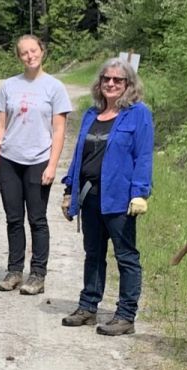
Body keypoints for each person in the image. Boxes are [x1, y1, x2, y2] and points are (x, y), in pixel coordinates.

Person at [60, 58, 154, 335]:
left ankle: (125, 316)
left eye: (118, 80)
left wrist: (140, 193)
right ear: (99, 82)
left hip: (120, 199)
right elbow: (79, 155)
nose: (111, 84)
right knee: (93, 253)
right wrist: (69, 190)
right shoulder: (91, 114)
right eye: (106, 79)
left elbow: (143, 156)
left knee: (126, 256)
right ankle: (88, 307)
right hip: (90, 196)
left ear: (128, 84)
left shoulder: (138, 114)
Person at [0, 35, 73, 295]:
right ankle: (14, 271)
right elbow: (1, 125)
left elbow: (59, 131)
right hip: (9, 160)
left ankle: (37, 274)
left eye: (33, 50)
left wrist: (52, 165)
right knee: (13, 218)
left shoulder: (55, 87)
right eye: (24, 52)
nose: (30, 56)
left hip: (39, 161)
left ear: (42, 51)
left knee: (37, 219)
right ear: (19, 57)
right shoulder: (9, 86)